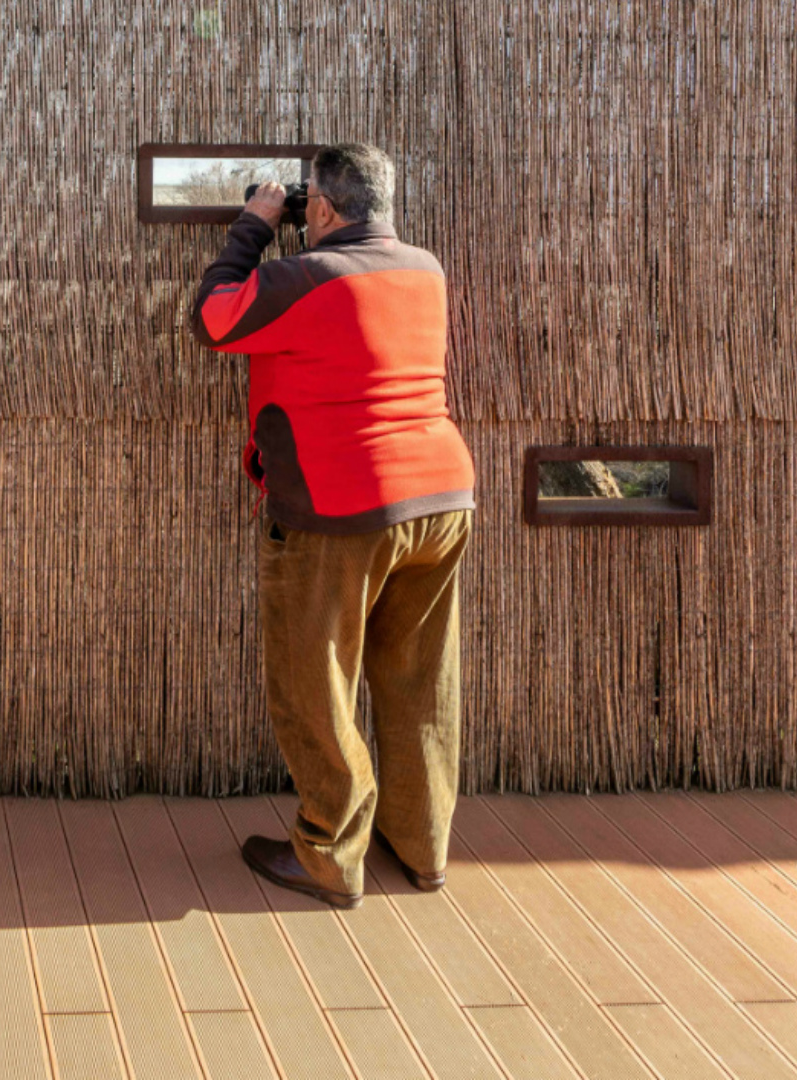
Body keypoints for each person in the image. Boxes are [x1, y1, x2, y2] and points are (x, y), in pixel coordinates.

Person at [190, 143, 475, 909]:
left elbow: (214, 321)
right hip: (442, 499)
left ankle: (327, 853)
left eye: (304, 201)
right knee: (419, 680)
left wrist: (252, 226)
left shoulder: (298, 275)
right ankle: (422, 849)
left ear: (318, 208)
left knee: (314, 681)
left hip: (338, 505)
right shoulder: (425, 268)